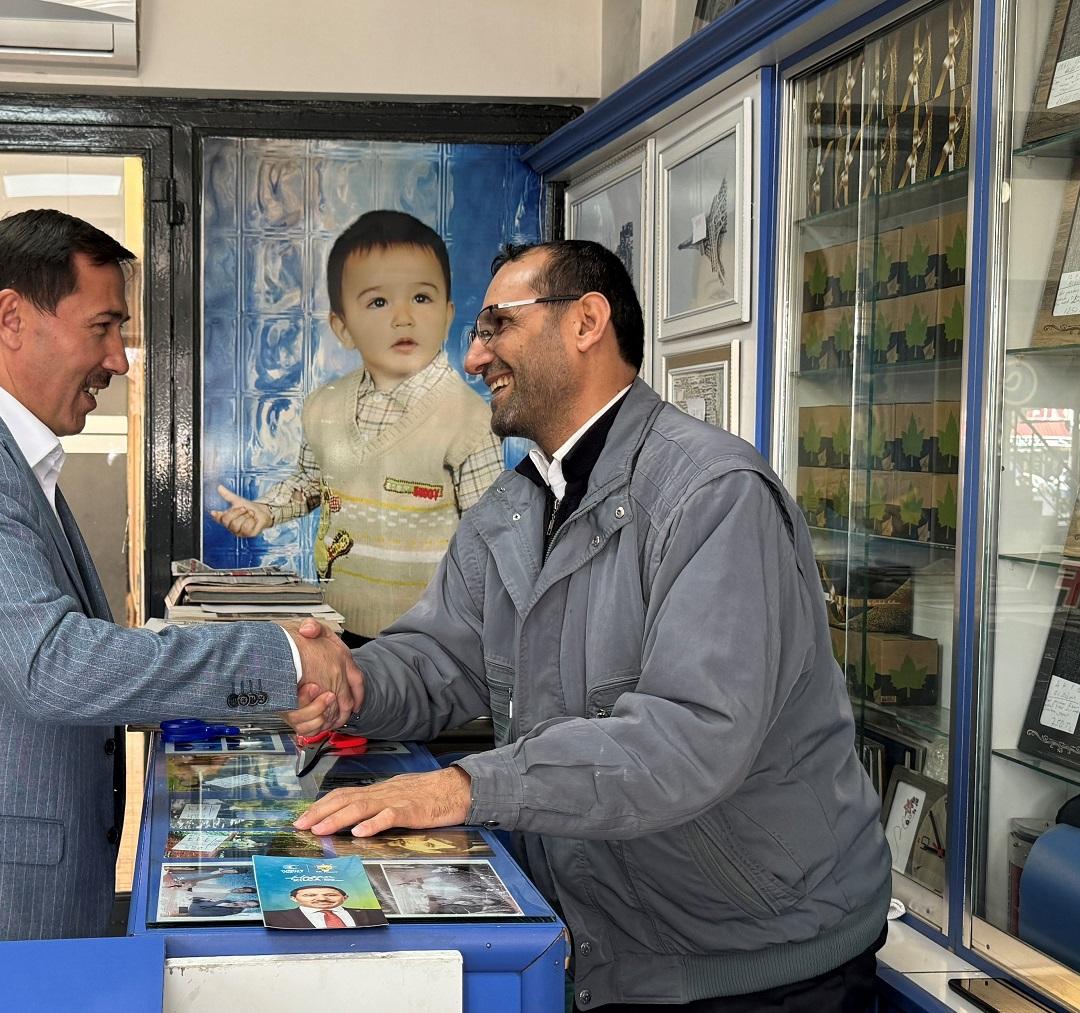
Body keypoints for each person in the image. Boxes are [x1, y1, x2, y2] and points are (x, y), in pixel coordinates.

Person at [291, 240, 892, 1010]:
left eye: (497, 325)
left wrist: (463, 787)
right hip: (609, 945)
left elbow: (689, 736)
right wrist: (353, 682)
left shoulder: (714, 494)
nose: (473, 357)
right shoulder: (513, 507)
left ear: (586, 321)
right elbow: (443, 660)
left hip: (760, 966)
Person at [0, 209, 354, 1013]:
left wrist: (266, 687)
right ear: (12, 318)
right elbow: (55, 665)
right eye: (103, 327)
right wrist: (287, 656)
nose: (119, 359)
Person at [210, 211, 504, 644]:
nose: (403, 317)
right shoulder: (324, 407)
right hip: (338, 626)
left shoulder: (470, 420)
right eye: (378, 302)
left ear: (447, 315)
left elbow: (490, 539)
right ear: (343, 327)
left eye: (421, 297)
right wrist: (266, 510)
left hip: (431, 639)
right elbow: (312, 481)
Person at [262, 884, 383, 929]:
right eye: (310, 895)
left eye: (331, 895)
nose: (322, 899)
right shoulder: (271, 917)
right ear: (293, 898)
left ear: (345, 898)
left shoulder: (374, 913)